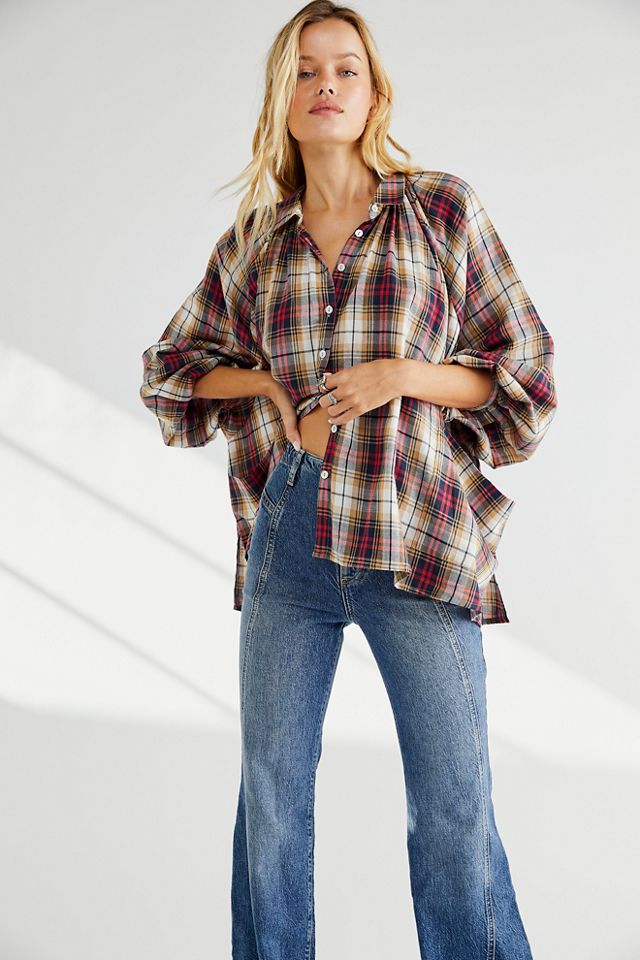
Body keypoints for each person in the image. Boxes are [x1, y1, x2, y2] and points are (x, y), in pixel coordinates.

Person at [140, 2, 557, 957]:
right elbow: (171, 369)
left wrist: (401, 374)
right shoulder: (257, 241)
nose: (325, 85)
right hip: (290, 535)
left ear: (374, 95)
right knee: (272, 801)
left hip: (415, 536)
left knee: (453, 805)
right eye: (304, 70)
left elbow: (525, 367)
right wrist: (269, 388)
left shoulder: (440, 209)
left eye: (345, 70)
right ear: (281, 99)